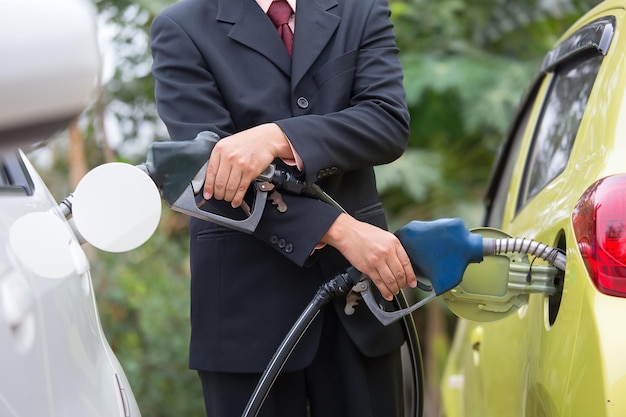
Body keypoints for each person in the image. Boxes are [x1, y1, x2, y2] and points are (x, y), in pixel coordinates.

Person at [150, 0, 417, 415]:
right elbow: (207, 175)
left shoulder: (360, 9)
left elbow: (386, 122)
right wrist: (341, 231)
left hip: (360, 307)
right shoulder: (181, 27)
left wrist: (277, 137)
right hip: (245, 316)